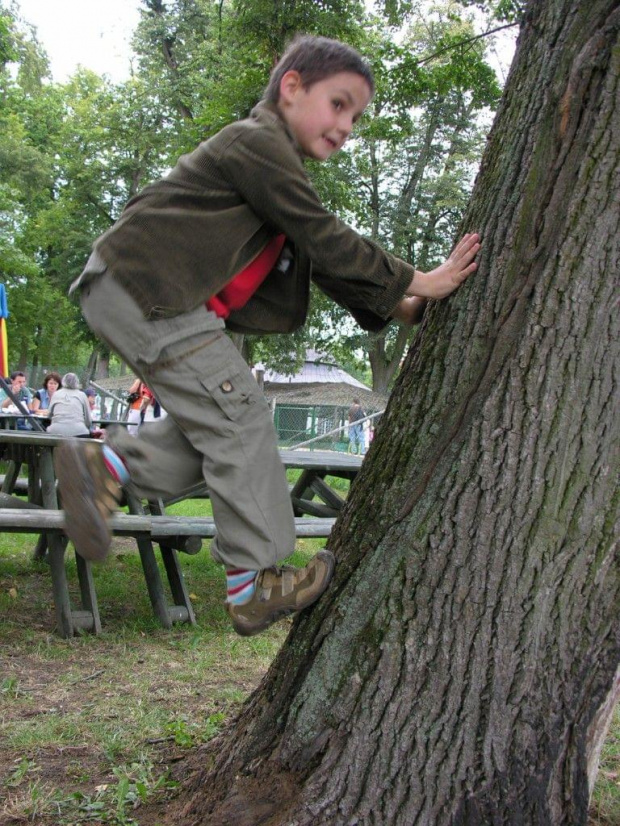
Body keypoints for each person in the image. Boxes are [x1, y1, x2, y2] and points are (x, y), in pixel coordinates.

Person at [55, 35, 480, 637]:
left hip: (134, 293)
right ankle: (254, 584)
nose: (346, 127)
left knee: (222, 438)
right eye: (338, 104)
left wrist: (405, 304)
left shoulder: (275, 171)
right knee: (242, 416)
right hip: (146, 287)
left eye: (355, 117)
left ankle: (109, 470)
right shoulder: (256, 142)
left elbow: (321, 260)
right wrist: (420, 278)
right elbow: (322, 232)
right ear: (291, 88)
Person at [47, 373, 92, 437]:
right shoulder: (82, 395)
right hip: (79, 432)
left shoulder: (56, 394)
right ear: (77, 382)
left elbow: (49, 415)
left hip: (56, 431)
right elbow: (88, 420)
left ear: (63, 381)